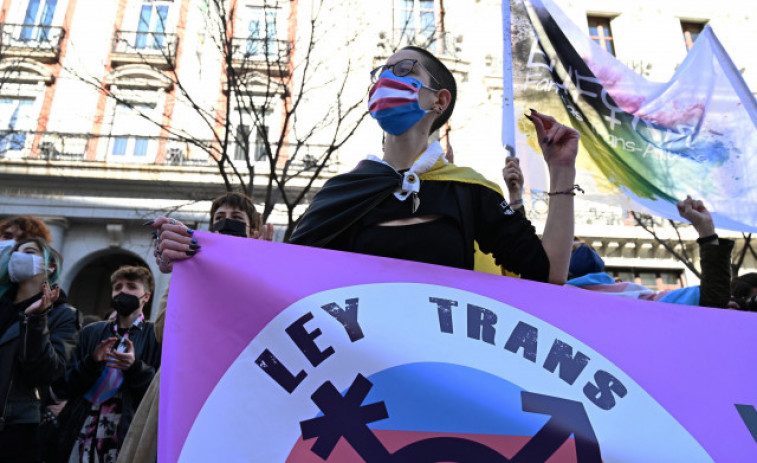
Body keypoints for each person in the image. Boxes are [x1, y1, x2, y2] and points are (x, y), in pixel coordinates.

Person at [151, 46, 579, 285]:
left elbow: (549, 272)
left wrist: (561, 172)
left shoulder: (470, 190)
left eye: (404, 69)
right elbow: (281, 281)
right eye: (381, 72)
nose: (386, 78)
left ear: (439, 100)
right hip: (360, 388)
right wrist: (196, 255)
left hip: (448, 380)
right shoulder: (342, 191)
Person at [117, 192, 272, 463]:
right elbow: (163, 331)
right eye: (219, 218)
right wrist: (184, 272)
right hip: (180, 385)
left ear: (254, 231)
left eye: (237, 218)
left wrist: (259, 263)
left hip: (233, 391)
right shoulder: (188, 267)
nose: (227, 223)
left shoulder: (265, 273)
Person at [56, 265, 160, 463]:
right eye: (118, 287)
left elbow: (157, 390)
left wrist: (134, 367)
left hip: (125, 428)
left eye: (131, 287)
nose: (123, 291)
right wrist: (92, 362)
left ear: (146, 297)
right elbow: (66, 384)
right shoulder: (91, 332)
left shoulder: (155, 335)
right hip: (84, 424)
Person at [565, 196, 734, 308]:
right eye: (570, 248)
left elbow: (712, 296)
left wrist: (706, 231)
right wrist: (707, 232)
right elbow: (714, 295)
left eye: (583, 245)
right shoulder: (548, 300)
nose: (582, 248)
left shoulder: (633, 296)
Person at [0, 238, 80, 462]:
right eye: (16, 252)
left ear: (49, 266)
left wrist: (36, 321)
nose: (19, 256)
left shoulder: (62, 315)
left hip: (15, 429)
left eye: (29, 251)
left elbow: (47, 372)